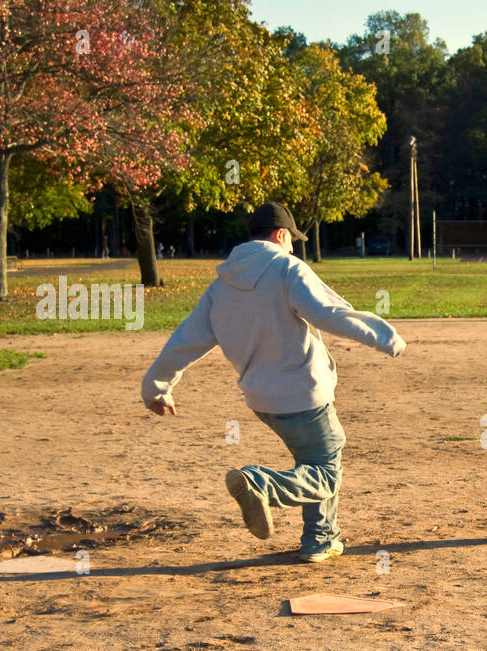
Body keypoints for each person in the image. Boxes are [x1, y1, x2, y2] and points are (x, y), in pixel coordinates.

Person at [141, 201, 406, 563]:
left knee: (313, 458)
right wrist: (384, 336)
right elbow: (328, 312)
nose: (294, 247)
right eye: (292, 240)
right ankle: (260, 484)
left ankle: (320, 539)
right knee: (327, 472)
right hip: (303, 394)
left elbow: (186, 339)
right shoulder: (286, 269)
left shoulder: (220, 287)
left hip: (262, 401)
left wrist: (156, 387)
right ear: (280, 235)